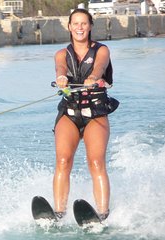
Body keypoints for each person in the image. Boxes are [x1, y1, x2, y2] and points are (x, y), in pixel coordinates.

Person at [52, 8, 119, 221]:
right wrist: (61, 78)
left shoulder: (102, 50)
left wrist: (93, 77)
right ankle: (58, 212)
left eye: (84, 23)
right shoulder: (61, 54)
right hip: (70, 112)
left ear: (90, 26)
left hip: (96, 113)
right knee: (63, 160)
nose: (79, 27)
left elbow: (100, 66)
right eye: (75, 24)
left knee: (96, 162)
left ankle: (102, 213)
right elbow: (60, 68)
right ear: (69, 27)